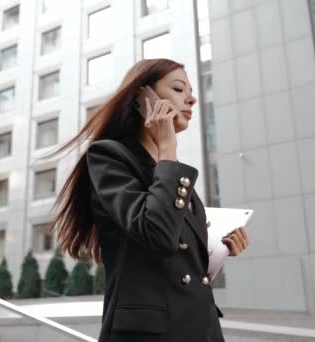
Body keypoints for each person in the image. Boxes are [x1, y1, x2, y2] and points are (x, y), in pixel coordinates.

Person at [45, 58, 249, 342]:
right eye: (178, 89)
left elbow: (176, 261)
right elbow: (157, 234)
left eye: (190, 90)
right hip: (150, 334)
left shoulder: (172, 171)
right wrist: (167, 146)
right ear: (144, 98)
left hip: (200, 328)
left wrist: (217, 248)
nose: (192, 99)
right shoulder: (111, 157)